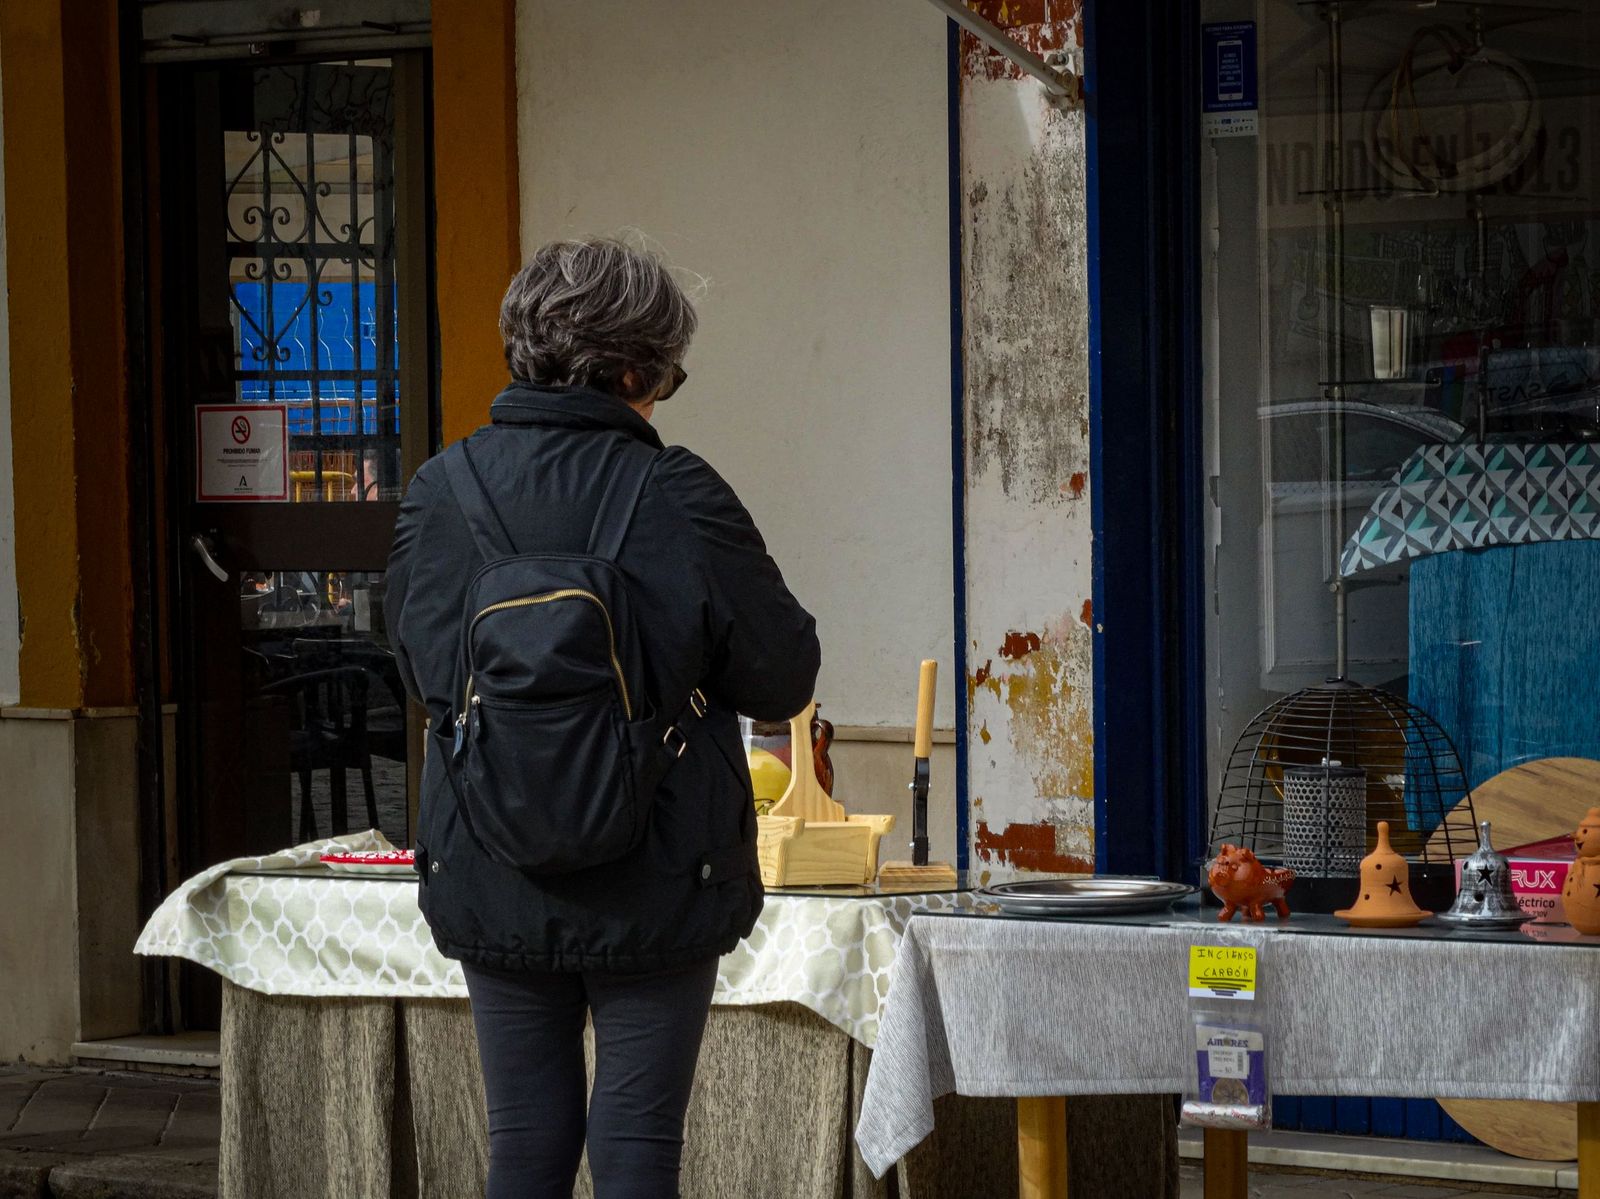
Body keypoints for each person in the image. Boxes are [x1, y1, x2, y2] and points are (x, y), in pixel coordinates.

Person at [385, 236, 819, 1199]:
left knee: (526, 1146)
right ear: (633, 367)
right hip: (660, 872)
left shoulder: (439, 494)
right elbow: (782, 672)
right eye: (667, 369)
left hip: (493, 862)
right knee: (636, 1146)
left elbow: (418, 667)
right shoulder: (679, 492)